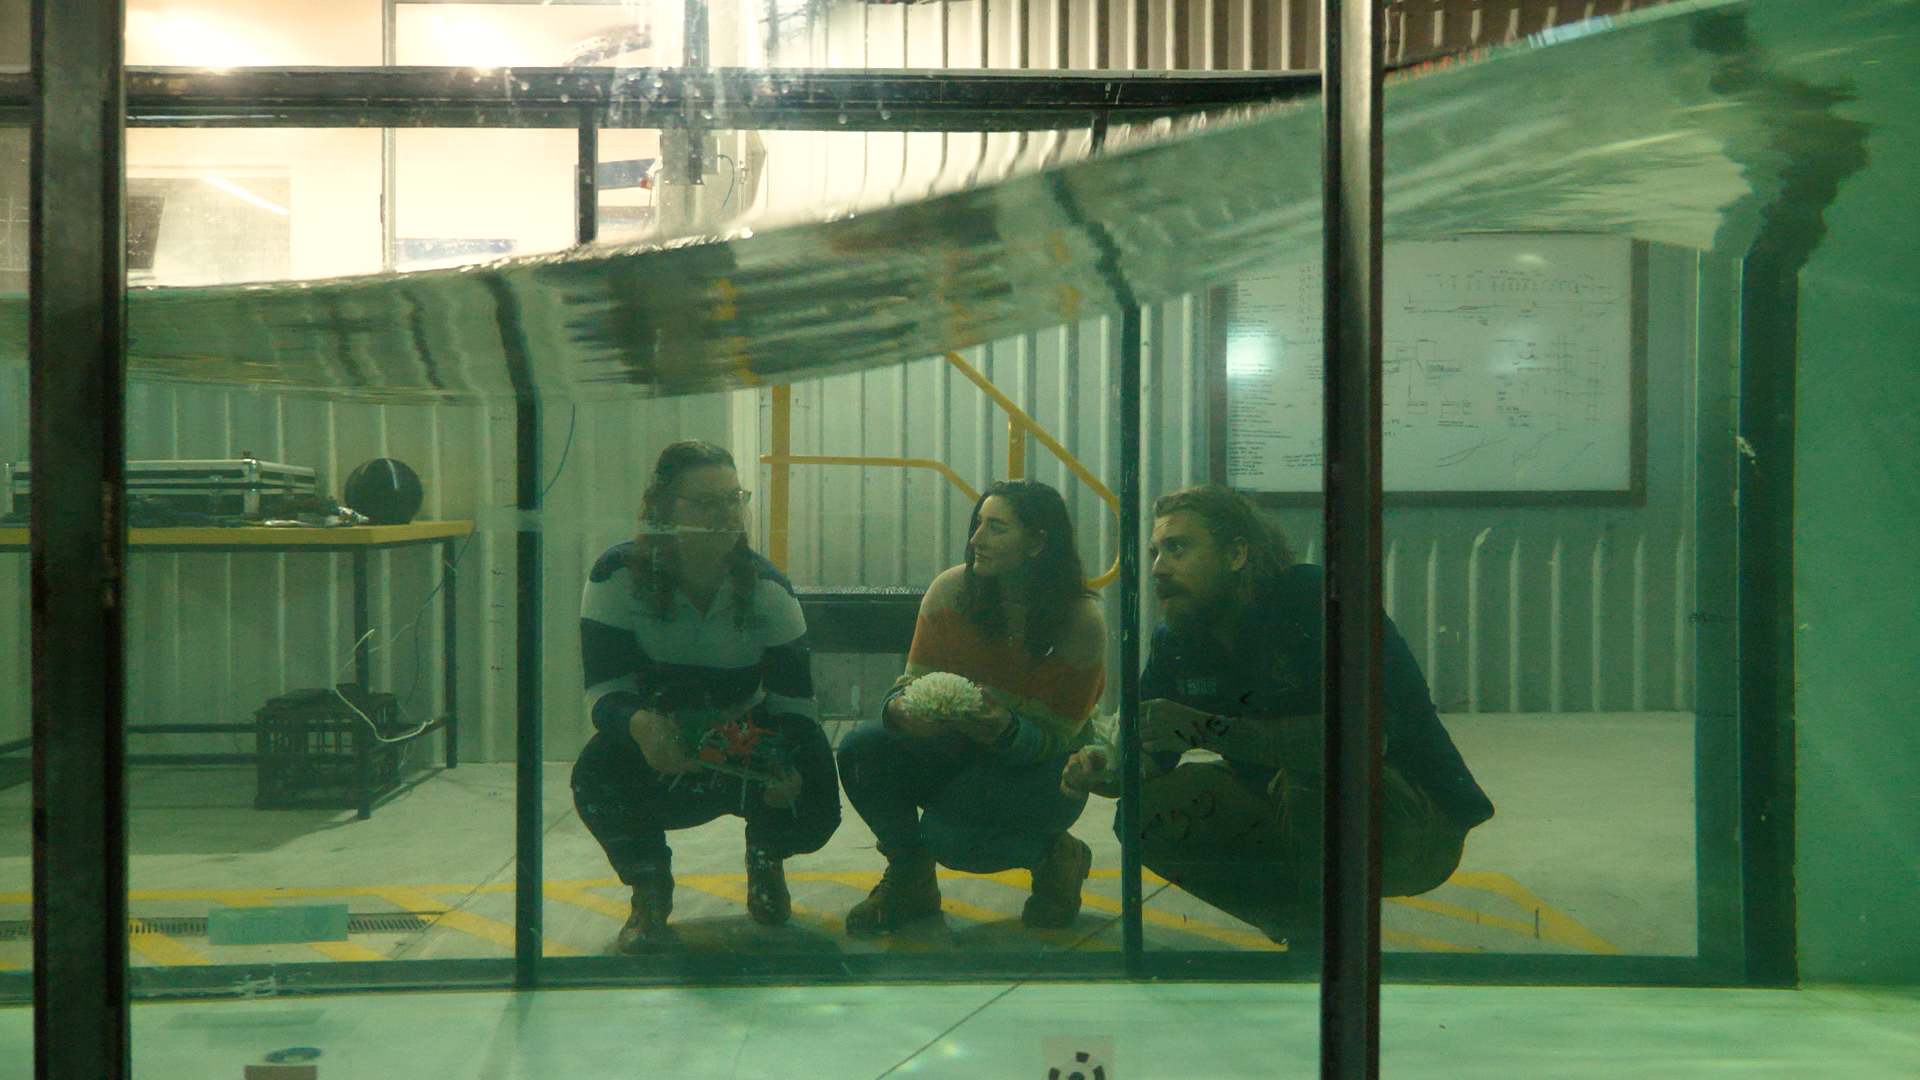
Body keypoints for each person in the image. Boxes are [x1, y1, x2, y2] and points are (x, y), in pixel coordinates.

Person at [1061, 484, 1493, 948]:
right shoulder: (1177, 640)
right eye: (1155, 551)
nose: (1159, 567)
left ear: (1237, 555)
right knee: (1144, 813)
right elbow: (1151, 759)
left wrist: (1203, 727)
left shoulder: (1314, 603)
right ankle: (1305, 926)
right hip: (1291, 809)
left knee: (1311, 779)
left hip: (1414, 821)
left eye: (1178, 548)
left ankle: (1325, 942)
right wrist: (1104, 771)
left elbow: (1360, 740)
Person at [572, 440, 840, 953]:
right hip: (661, 738)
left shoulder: (769, 592)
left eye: (733, 498)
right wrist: (642, 727)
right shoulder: (616, 577)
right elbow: (605, 693)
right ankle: (649, 888)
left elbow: (795, 708)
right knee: (596, 775)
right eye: (706, 502)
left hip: (743, 739)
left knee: (815, 802)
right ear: (662, 507)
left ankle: (766, 857)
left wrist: (785, 768)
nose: (726, 514)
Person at [836, 479, 1107, 936]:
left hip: (1044, 769)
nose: (976, 539)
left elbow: (1058, 740)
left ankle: (1059, 856)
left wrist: (1004, 729)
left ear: (1038, 542)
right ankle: (910, 878)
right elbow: (909, 684)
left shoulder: (1080, 619)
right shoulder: (950, 592)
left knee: (953, 840)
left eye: (996, 528)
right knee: (863, 748)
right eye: (977, 524)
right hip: (960, 748)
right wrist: (900, 712)